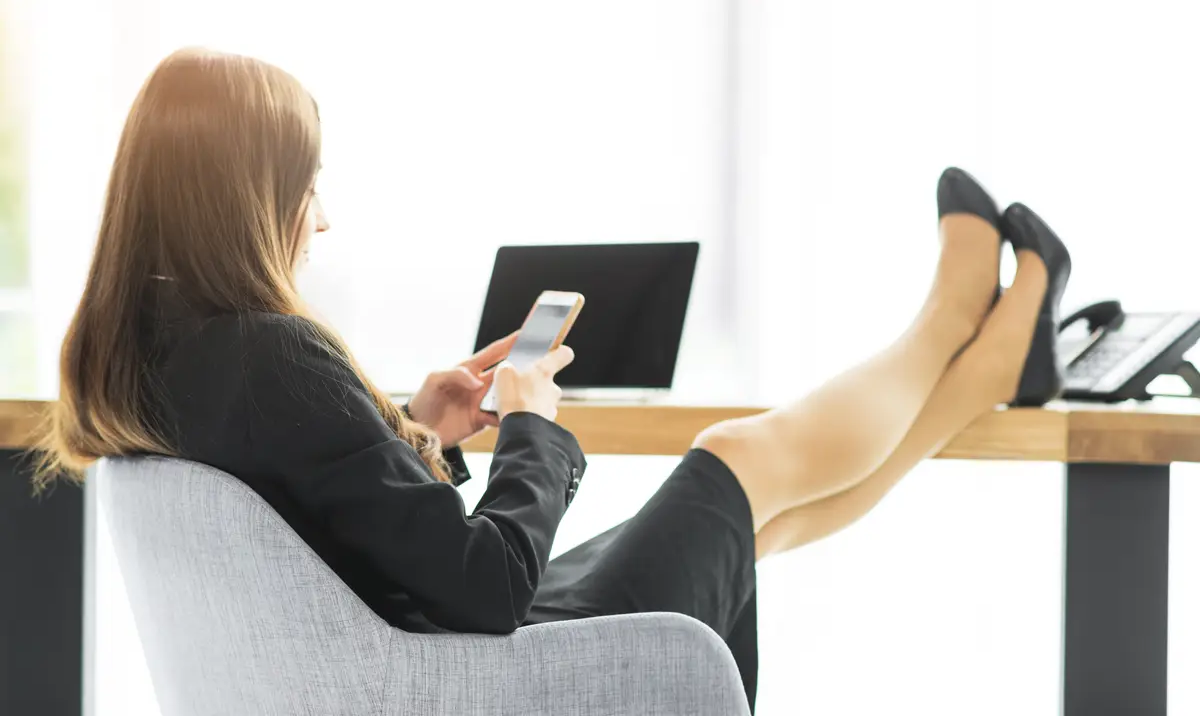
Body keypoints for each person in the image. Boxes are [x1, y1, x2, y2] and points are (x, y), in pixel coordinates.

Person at [33, 49, 1070, 712]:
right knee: (739, 458)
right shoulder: (270, 352)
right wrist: (534, 429)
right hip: (469, 656)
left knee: (749, 523)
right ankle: (952, 323)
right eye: (308, 188)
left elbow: (325, 519)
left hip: (415, 650)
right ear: (245, 198)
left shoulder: (150, 358)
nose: (322, 217)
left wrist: (422, 434)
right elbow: (486, 585)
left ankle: (980, 365)